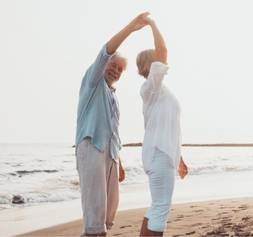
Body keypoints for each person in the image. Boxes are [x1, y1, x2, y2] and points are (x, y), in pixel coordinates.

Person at [75, 12, 149, 236]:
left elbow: (112, 132)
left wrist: (119, 162)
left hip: (110, 155)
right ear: (104, 65)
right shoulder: (93, 82)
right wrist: (131, 28)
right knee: (94, 215)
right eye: (113, 65)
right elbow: (106, 50)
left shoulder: (112, 95)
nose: (115, 70)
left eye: (120, 69)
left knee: (107, 215)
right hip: (91, 148)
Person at [136, 15, 189, 236]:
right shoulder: (151, 88)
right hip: (159, 155)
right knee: (160, 208)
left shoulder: (159, 92)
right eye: (157, 60)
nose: (162, 63)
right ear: (150, 65)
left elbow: (170, 128)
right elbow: (163, 52)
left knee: (156, 207)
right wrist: (152, 24)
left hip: (164, 154)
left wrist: (179, 159)